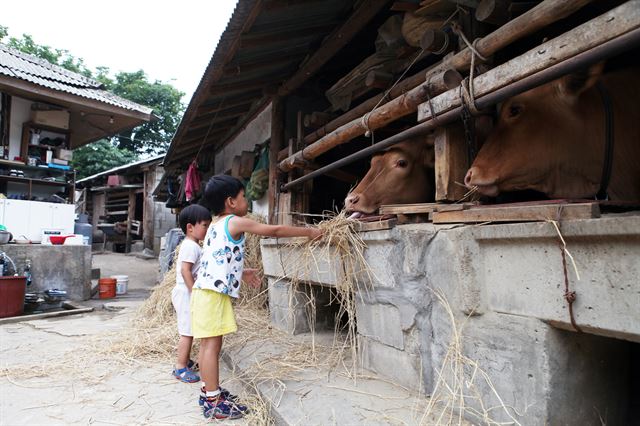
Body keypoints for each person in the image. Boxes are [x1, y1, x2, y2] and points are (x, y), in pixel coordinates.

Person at [193, 174, 322, 419]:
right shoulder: (235, 221)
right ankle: (213, 402)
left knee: (207, 345)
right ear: (231, 202)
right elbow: (273, 230)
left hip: (204, 293)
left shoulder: (214, 225)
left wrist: (243, 272)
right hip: (211, 296)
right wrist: (309, 231)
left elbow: (218, 261)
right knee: (212, 345)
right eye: (244, 196)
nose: (248, 200)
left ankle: (208, 391)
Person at [171, 204, 211, 383]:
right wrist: (194, 291)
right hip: (186, 293)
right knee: (187, 332)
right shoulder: (190, 246)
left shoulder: (194, 245)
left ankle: (185, 360)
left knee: (190, 329)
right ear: (190, 227)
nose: (207, 229)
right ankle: (180, 366)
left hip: (187, 292)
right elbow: (185, 271)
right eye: (205, 225)